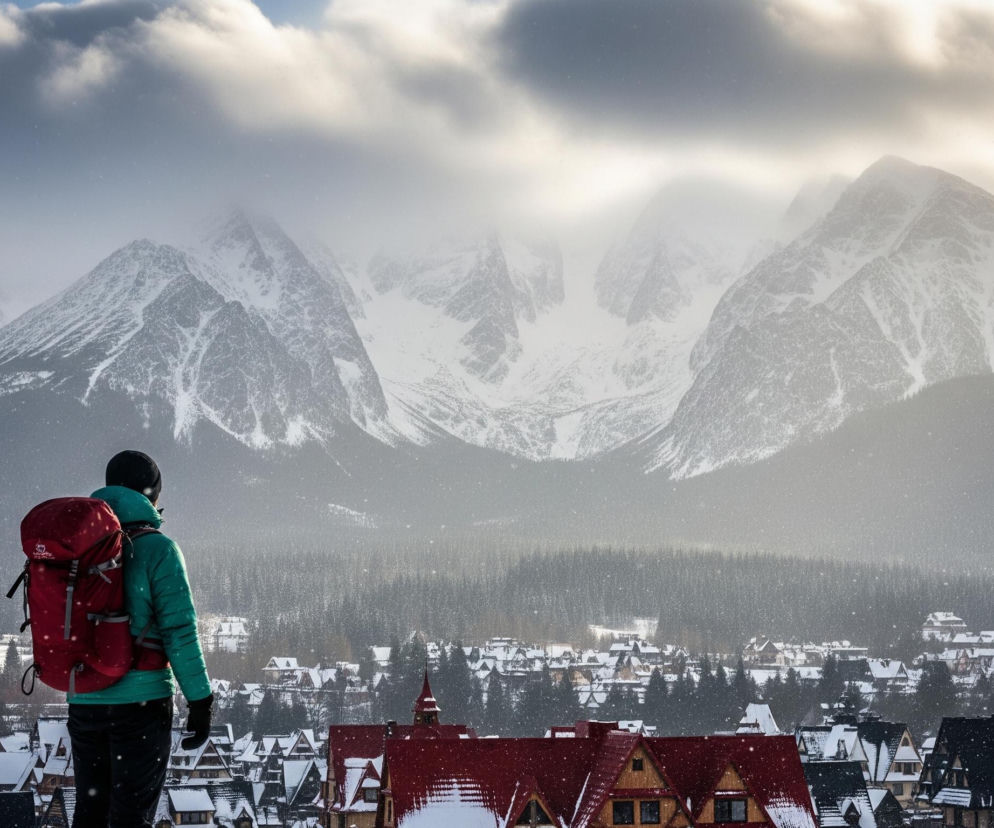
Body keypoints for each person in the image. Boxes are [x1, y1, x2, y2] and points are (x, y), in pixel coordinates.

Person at [67, 450, 213, 828]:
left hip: (84, 701)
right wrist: (200, 701)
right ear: (152, 497)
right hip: (140, 704)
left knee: (90, 814)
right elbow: (179, 631)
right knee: (131, 818)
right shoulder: (157, 549)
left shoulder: (77, 546)